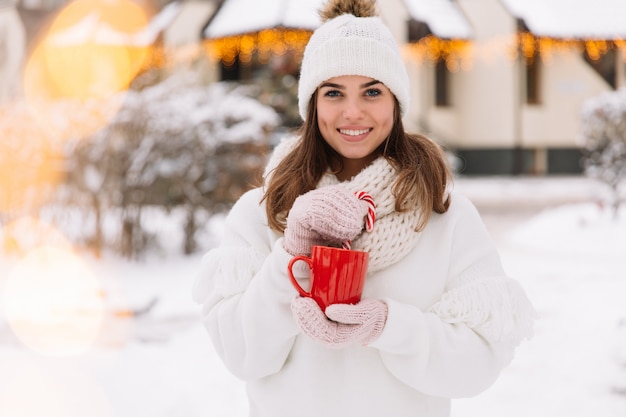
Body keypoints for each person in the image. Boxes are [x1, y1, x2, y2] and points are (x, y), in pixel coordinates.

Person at [192, 0, 535, 415]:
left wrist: (390, 326)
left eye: (372, 91)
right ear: (312, 104)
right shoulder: (262, 213)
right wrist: (291, 257)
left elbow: (478, 364)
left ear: (396, 101)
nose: (352, 112)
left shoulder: (444, 215)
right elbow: (242, 354)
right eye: (333, 92)